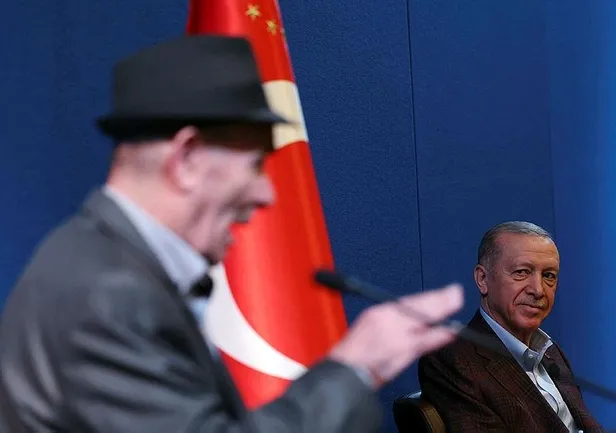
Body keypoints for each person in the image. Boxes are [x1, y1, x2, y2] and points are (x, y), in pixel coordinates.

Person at [0, 35, 463, 433]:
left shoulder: (103, 263)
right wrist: (356, 367)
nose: (267, 194)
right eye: (257, 165)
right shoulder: (107, 293)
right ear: (186, 158)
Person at [418, 221, 603, 432]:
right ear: (483, 279)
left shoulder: (551, 351)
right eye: (522, 272)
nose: (538, 290)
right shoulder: (453, 360)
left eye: (548, 276)